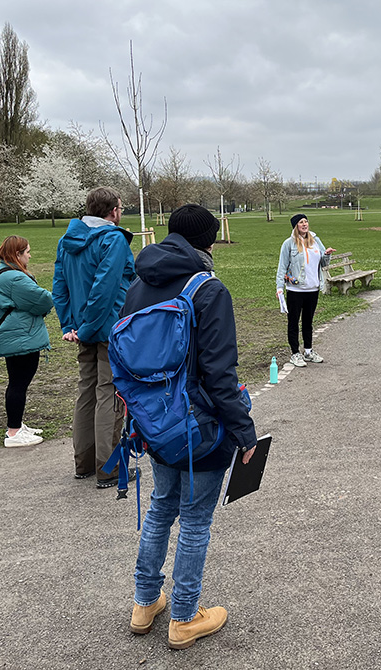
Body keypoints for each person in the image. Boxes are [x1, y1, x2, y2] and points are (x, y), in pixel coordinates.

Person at [121, 204, 258, 649]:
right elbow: (220, 373)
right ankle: (183, 615)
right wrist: (244, 430)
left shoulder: (139, 283)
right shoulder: (208, 289)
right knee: (196, 518)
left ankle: (145, 602)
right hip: (201, 426)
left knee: (162, 505)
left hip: (156, 422)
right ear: (208, 241)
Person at [52, 187, 136, 487]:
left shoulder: (67, 240)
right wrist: (82, 326)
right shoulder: (112, 240)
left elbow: (59, 287)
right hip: (107, 328)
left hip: (83, 329)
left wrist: (69, 326)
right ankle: (108, 467)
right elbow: (104, 289)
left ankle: (84, 461)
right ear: (113, 211)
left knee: (87, 390)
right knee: (108, 393)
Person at [0, 236, 54, 448]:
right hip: (19, 337)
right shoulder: (14, 279)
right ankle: (14, 431)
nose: (30, 255)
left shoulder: (6, 273)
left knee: (18, 382)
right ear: (16, 254)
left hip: (17, 336)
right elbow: (42, 299)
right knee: (18, 383)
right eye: (27, 251)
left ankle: (17, 425)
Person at [275, 213, 334, 367]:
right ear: (296, 226)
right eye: (301, 222)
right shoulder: (289, 244)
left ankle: (308, 351)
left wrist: (327, 254)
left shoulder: (315, 241)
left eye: (306, 222)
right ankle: (295, 353)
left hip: (312, 288)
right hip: (295, 290)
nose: (304, 224)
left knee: (308, 321)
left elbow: (323, 262)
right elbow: (282, 268)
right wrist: (279, 288)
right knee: (293, 322)